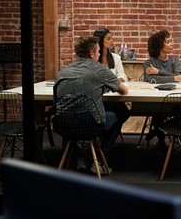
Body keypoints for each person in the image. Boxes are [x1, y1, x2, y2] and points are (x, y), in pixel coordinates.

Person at [54, 36, 129, 174]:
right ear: (91, 54)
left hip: (63, 124)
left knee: (82, 119)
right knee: (117, 115)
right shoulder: (99, 69)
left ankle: (82, 156)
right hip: (91, 124)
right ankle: (99, 162)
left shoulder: (63, 72)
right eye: (98, 51)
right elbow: (124, 90)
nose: (100, 54)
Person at [143, 29, 181, 147]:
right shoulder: (149, 62)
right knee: (159, 109)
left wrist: (159, 72)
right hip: (155, 100)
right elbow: (153, 81)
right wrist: (174, 78)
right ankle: (160, 135)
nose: (171, 44)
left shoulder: (174, 60)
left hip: (174, 100)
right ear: (159, 45)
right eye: (168, 41)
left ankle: (160, 131)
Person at [93, 27, 130, 126]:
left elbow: (123, 75)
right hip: (97, 97)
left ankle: (105, 134)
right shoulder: (93, 59)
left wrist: (116, 81)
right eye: (108, 38)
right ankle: (106, 134)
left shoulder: (116, 58)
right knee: (114, 115)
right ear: (100, 40)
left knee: (124, 113)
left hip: (113, 94)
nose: (112, 41)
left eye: (111, 38)